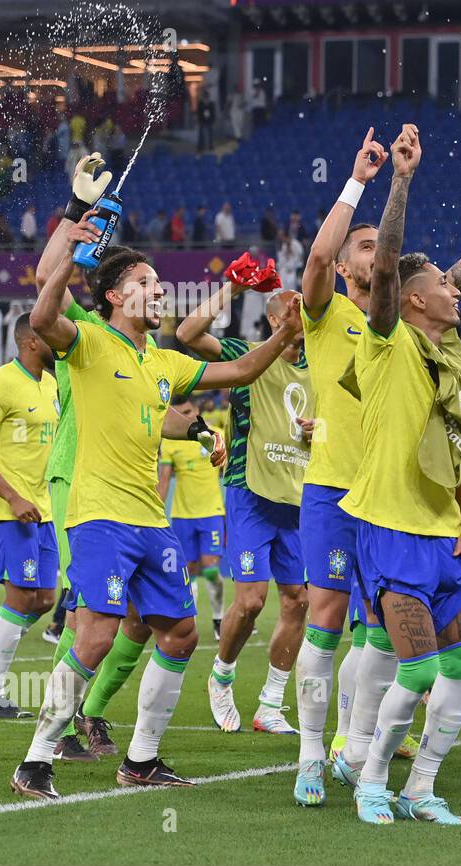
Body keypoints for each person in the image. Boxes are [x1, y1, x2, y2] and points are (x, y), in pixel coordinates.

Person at [10, 215, 300, 800]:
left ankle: (140, 759)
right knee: (95, 633)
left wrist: (282, 335)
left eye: (160, 281)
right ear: (116, 295)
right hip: (97, 513)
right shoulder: (89, 340)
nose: (160, 289)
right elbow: (42, 317)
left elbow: (241, 370)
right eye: (147, 281)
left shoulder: (164, 362)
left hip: (151, 518)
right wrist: (75, 247)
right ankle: (35, 762)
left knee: (180, 633)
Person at [297, 128, 461, 809]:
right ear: (348, 265)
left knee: (384, 641)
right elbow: (321, 253)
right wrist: (374, 179)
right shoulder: (331, 311)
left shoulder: (422, 324)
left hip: (411, 500)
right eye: (363, 248)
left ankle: (358, 746)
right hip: (342, 492)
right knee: (325, 620)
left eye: (381, 246)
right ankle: (314, 753)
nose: (376, 254)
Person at [177, 279, 313, 737]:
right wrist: (231, 288)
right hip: (249, 491)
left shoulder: (324, 362)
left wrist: (325, 430)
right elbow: (189, 334)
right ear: (275, 319)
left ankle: (271, 704)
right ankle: (221, 676)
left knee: (298, 600)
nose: (303, 309)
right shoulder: (245, 351)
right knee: (252, 600)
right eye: (293, 305)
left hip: (297, 499)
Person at [0, 317, 59, 717]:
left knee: (43, 600)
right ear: (33, 341)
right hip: (11, 510)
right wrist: (11, 496)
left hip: (44, 510)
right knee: (20, 596)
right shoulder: (1, 383)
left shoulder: (52, 384)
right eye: (51, 332)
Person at [158, 396, 227, 641]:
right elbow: (164, 479)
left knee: (210, 570)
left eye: (188, 412)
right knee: (189, 573)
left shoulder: (215, 434)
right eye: (180, 413)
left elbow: (226, 469)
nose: (185, 417)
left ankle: (219, 618)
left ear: (197, 410)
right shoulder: (170, 443)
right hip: (182, 515)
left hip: (211, 513)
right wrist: (156, 511)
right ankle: (192, 624)